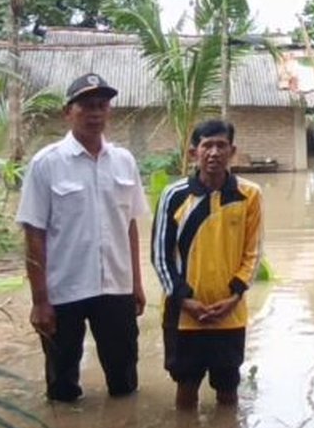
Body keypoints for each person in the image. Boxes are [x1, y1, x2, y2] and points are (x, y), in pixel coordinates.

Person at [17, 72, 148, 402]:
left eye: (102, 105)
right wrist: (39, 300)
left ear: (109, 111)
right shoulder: (46, 164)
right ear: (68, 112)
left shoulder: (124, 161)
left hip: (116, 289)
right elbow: (34, 234)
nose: (95, 113)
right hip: (64, 292)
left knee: (125, 385)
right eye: (86, 105)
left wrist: (136, 283)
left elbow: (130, 225)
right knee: (61, 390)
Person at [151, 119, 263, 410]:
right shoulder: (174, 196)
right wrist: (184, 299)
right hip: (183, 315)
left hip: (230, 313)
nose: (214, 152)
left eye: (221, 145)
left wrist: (235, 296)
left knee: (228, 391)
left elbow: (253, 252)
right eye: (206, 145)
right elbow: (160, 256)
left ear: (232, 151)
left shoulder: (249, 195)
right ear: (193, 153)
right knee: (186, 390)